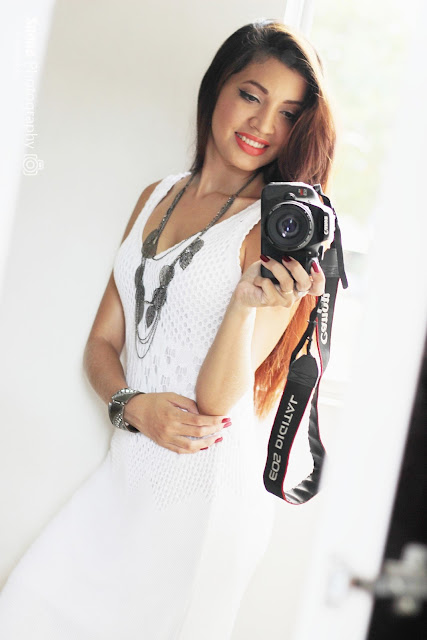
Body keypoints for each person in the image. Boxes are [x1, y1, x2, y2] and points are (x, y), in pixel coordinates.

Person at [0, 19, 335, 639]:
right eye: (251, 95)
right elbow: (101, 343)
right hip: (128, 472)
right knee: (25, 608)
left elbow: (215, 403)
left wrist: (243, 305)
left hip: (202, 498)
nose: (264, 125)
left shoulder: (275, 234)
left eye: (288, 114)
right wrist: (131, 406)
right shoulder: (157, 195)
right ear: (217, 88)